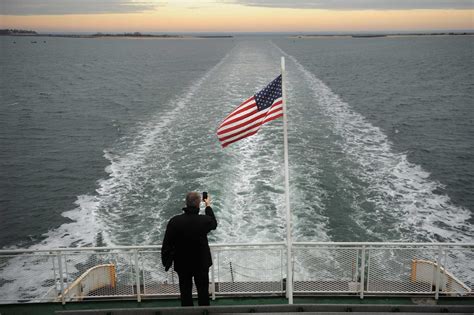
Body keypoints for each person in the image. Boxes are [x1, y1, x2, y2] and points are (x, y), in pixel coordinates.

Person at [161, 191, 217, 306]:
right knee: (203, 293)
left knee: (185, 293)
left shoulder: (175, 221)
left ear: (186, 203)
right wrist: (208, 205)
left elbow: (166, 243)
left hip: (182, 264)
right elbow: (213, 223)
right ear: (198, 204)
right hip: (201, 264)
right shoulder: (204, 221)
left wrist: (166, 261)